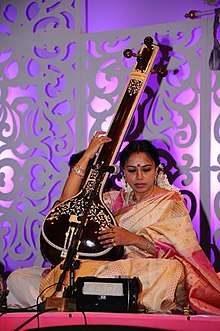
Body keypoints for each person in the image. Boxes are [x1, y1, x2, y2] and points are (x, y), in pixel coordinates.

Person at [39, 132, 220, 315]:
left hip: (152, 268)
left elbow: (178, 253)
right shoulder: (115, 200)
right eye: (132, 170)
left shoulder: (171, 202)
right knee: (71, 268)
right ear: (123, 172)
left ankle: (107, 295)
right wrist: (87, 156)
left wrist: (131, 239)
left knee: (171, 269)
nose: (139, 176)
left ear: (157, 169)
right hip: (116, 266)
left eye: (146, 169)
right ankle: (107, 295)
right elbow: (67, 204)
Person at [5, 150, 95, 309]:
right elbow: (51, 246)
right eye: (72, 174)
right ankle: (50, 308)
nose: (75, 179)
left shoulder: (106, 204)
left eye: (79, 172)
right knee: (17, 278)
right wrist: (55, 270)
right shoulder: (61, 208)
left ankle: (51, 309)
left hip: (86, 272)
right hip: (57, 271)